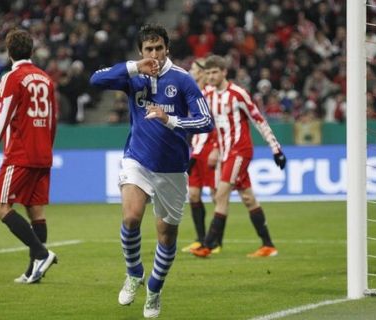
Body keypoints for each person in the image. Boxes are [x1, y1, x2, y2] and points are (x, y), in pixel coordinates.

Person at [90, 23, 213, 318]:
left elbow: (206, 121)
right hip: (138, 160)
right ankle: (134, 274)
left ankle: (154, 290)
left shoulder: (183, 81)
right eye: (149, 49)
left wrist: (170, 120)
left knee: (166, 236)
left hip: (172, 170)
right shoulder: (134, 77)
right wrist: (133, 68)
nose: (154, 54)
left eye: (159, 48)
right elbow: (95, 80)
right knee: (131, 217)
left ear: (167, 48)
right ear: (141, 51)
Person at [191, 55, 286, 258]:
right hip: (226, 153)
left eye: (215, 72)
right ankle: (268, 245)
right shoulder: (207, 94)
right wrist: (214, 147)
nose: (211, 76)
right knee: (248, 198)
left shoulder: (237, 94)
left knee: (221, 193)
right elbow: (212, 127)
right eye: (207, 73)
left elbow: (258, 119)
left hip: (239, 151)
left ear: (224, 72)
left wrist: (275, 148)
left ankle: (208, 244)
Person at [0, 28, 58, 284]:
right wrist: (48, 148)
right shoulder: (46, 78)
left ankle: (41, 253)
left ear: (9, 51)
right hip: (43, 153)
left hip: (20, 154)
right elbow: (52, 119)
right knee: (36, 212)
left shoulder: (12, 77)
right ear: (32, 50)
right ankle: (32, 271)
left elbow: (0, 118)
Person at [182, 58, 222, 254]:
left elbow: (218, 123)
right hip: (195, 151)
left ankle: (216, 242)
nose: (191, 71)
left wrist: (216, 146)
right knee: (194, 194)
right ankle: (201, 239)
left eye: (194, 69)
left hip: (209, 149)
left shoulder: (212, 95)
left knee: (216, 195)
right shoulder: (193, 93)